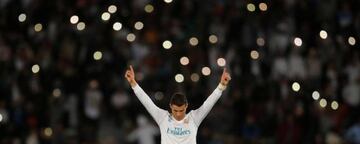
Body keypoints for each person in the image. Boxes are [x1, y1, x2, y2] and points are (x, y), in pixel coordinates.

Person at [124, 65, 231, 144]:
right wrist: (133, 83)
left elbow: (208, 103)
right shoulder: (163, 117)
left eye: (181, 110)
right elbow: (147, 102)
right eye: (175, 110)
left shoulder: (194, 118)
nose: (178, 114)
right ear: (170, 106)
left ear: (186, 106)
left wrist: (221, 86)